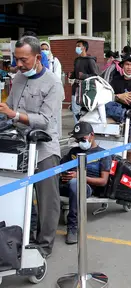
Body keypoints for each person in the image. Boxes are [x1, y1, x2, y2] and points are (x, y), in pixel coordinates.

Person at [0, 36, 62, 258]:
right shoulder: (18, 77)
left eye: (23, 60)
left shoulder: (53, 83)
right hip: (18, 146)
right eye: (16, 60)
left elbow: (44, 119)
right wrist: (5, 110)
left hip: (44, 148)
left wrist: (14, 114)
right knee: (19, 196)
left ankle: (44, 246)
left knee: (47, 200)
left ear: (38, 57)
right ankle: (21, 239)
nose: (18, 65)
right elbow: (10, 106)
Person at [61, 122, 112, 244]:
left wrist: (80, 176)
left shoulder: (103, 154)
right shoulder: (73, 151)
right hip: (64, 184)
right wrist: (62, 174)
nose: (80, 141)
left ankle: (72, 226)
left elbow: (103, 181)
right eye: (78, 139)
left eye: (82, 138)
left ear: (92, 135)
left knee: (75, 184)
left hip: (86, 186)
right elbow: (60, 167)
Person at [110, 54, 131, 166]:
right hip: (114, 119)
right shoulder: (115, 80)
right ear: (122, 66)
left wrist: (118, 96)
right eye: (127, 64)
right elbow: (107, 96)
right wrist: (119, 96)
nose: (129, 67)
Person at [69, 40, 99, 124]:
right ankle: (77, 128)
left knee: (84, 111)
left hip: (86, 89)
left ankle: (85, 129)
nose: (77, 48)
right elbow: (75, 73)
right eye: (76, 46)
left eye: (79, 46)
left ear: (84, 48)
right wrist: (71, 75)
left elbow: (96, 75)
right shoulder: (77, 60)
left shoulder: (90, 60)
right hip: (75, 88)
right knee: (75, 110)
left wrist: (84, 76)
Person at [40, 41, 64, 138]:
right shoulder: (38, 60)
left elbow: (57, 76)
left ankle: (55, 136)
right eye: (42, 49)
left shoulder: (54, 60)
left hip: (53, 90)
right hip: (42, 90)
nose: (44, 51)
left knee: (55, 114)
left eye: (46, 49)